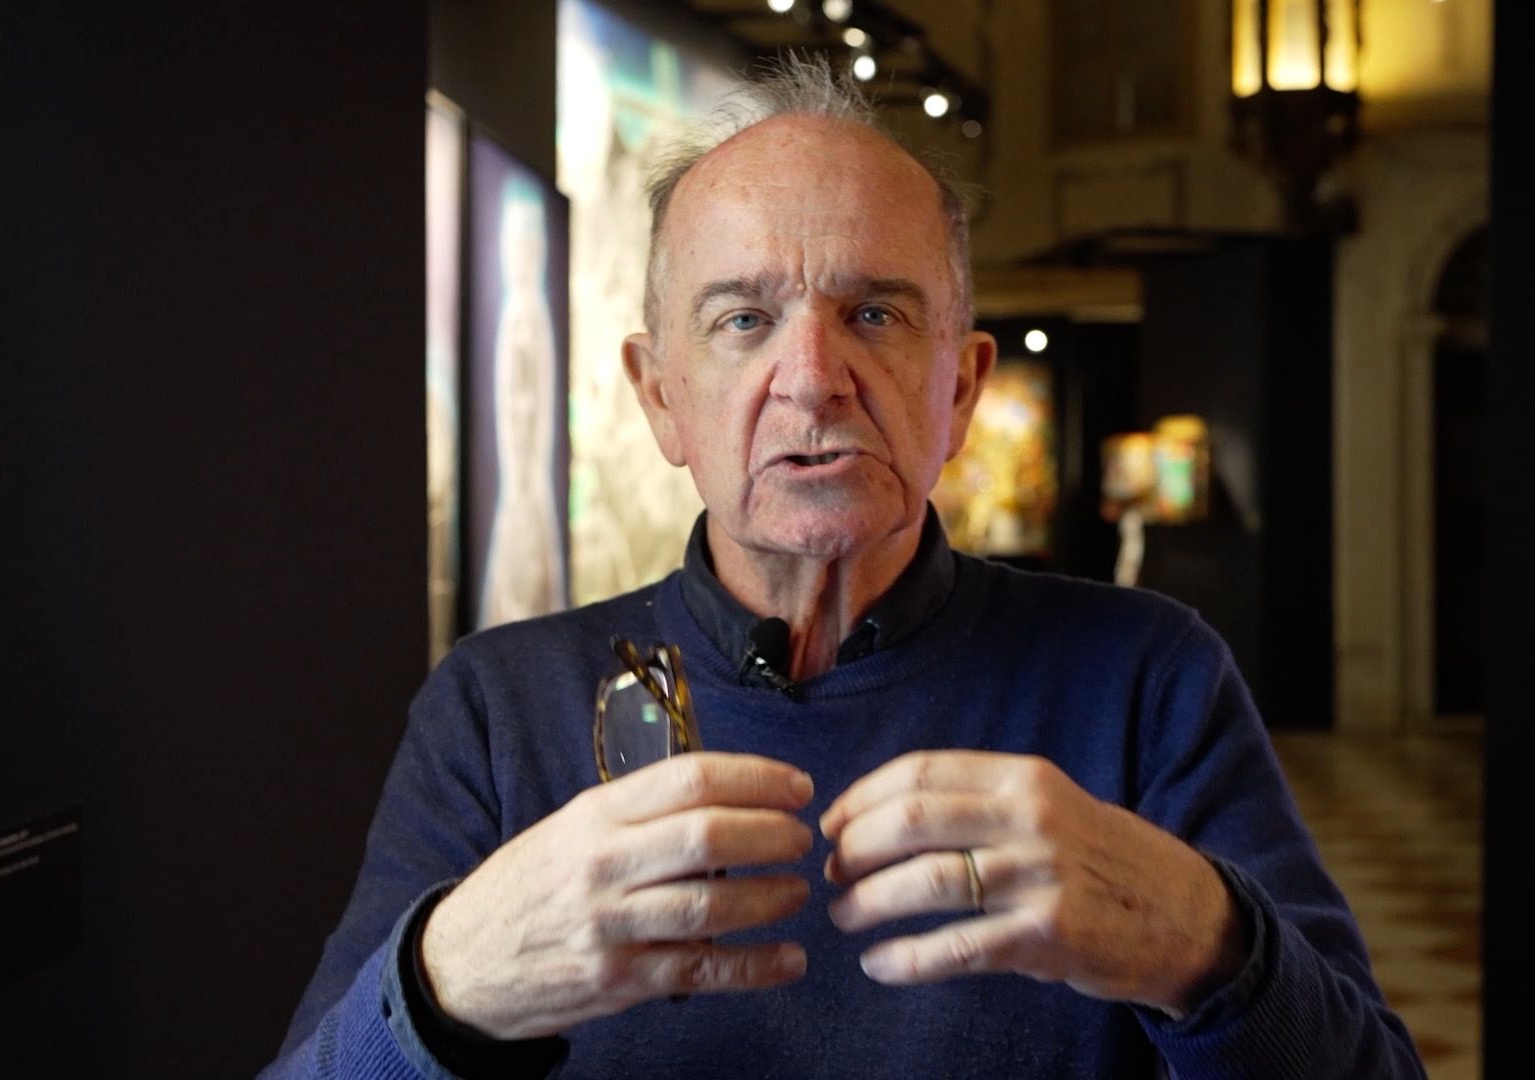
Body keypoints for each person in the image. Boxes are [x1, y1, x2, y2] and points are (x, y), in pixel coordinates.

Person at [262, 57, 1423, 1080]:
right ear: (661, 397)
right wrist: (447, 989)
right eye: (743, 320)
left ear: (959, 389)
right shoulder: (499, 707)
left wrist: (1202, 945)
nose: (813, 378)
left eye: (874, 314)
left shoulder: (1146, 677)